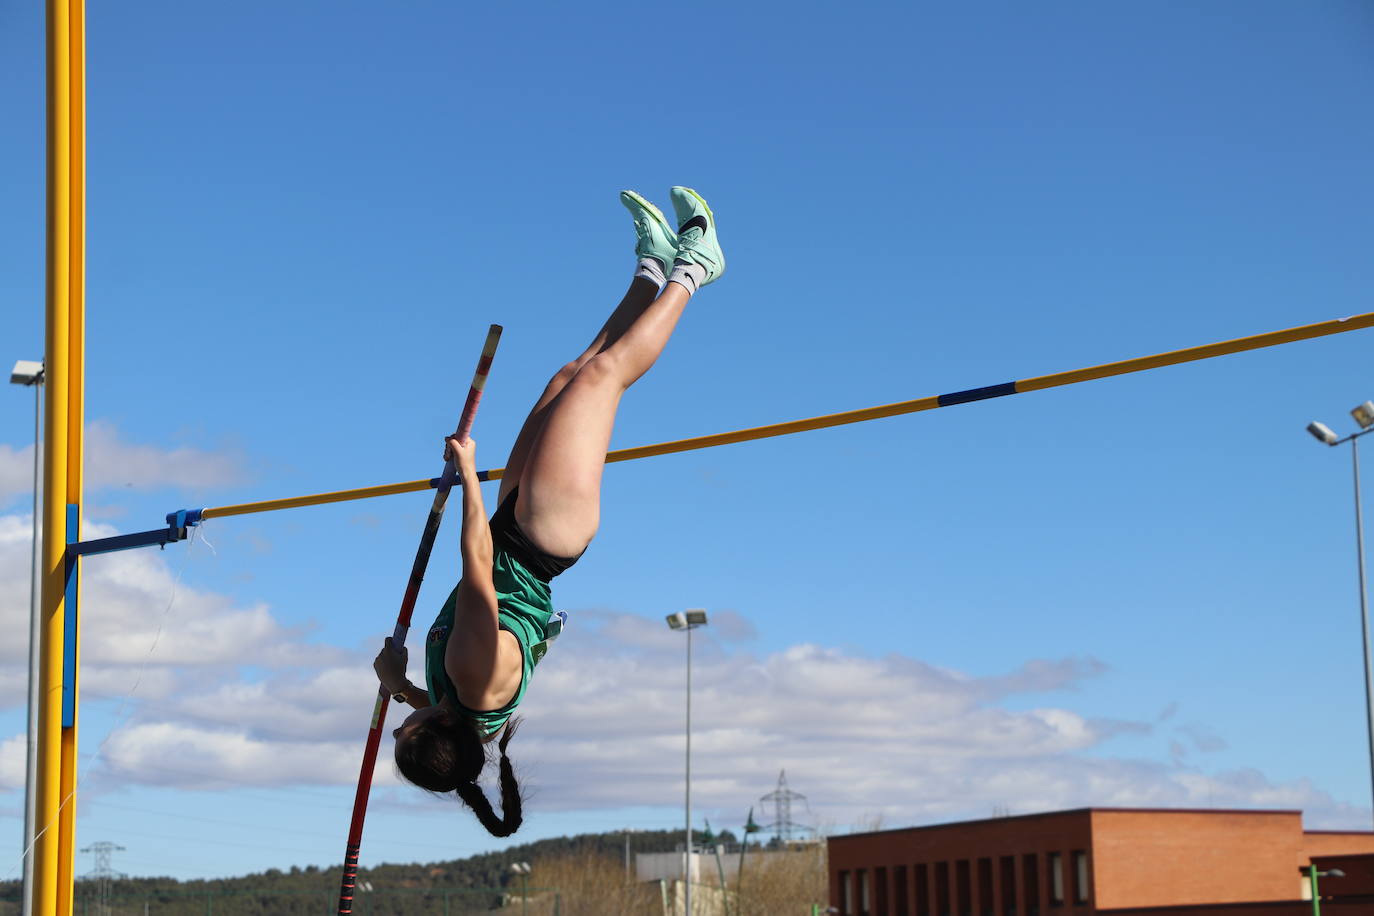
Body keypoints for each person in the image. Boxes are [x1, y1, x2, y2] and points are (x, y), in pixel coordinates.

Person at [372, 187, 725, 836]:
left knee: (567, 379)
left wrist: (401, 686)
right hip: (538, 538)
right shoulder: (471, 676)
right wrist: (468, 473)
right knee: (602, 380)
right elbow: (476, 564)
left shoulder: (465, 707)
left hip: (515, 532)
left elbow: (452, 709)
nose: (398, 724)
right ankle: (696, 267)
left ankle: (650, 268)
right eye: (405, 733)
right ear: (429, 731)